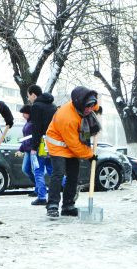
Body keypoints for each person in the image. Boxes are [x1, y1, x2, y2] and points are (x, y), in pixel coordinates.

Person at [44, 86, 101, 218]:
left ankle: (68, 206)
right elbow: (74, 144)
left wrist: (97, 107)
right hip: (57, 146)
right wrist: (90, 155)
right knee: (58, 174)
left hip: (71, 145)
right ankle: (52, 205)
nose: (90, 109)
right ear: (80, 104)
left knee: (73, 175)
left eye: (92, 106)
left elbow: (92, 104)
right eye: (88, 106)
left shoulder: (82, 105)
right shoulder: (67, 118)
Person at [27, 84, 56, 205]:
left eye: (29, 96)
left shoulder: (36, 107)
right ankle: (69, 185)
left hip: (42, 143)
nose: (28, 98)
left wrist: (34, 147)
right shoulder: (53, 106)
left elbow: (36, 128)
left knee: (38, 170)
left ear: (33, 94)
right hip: (53, 141)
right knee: (51, 169)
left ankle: (42, 197)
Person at [15, 104, 36, 186]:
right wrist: (20, 149)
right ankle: (38, 186)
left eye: (24, 113)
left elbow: (30, 139)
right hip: (27, 150)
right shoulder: (28, 123)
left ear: (29, 113)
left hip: (32, 150)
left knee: (34, 170)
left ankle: (38, 188)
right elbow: (25, 139)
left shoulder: (33, 123)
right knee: (25, 169)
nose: (23, 115)